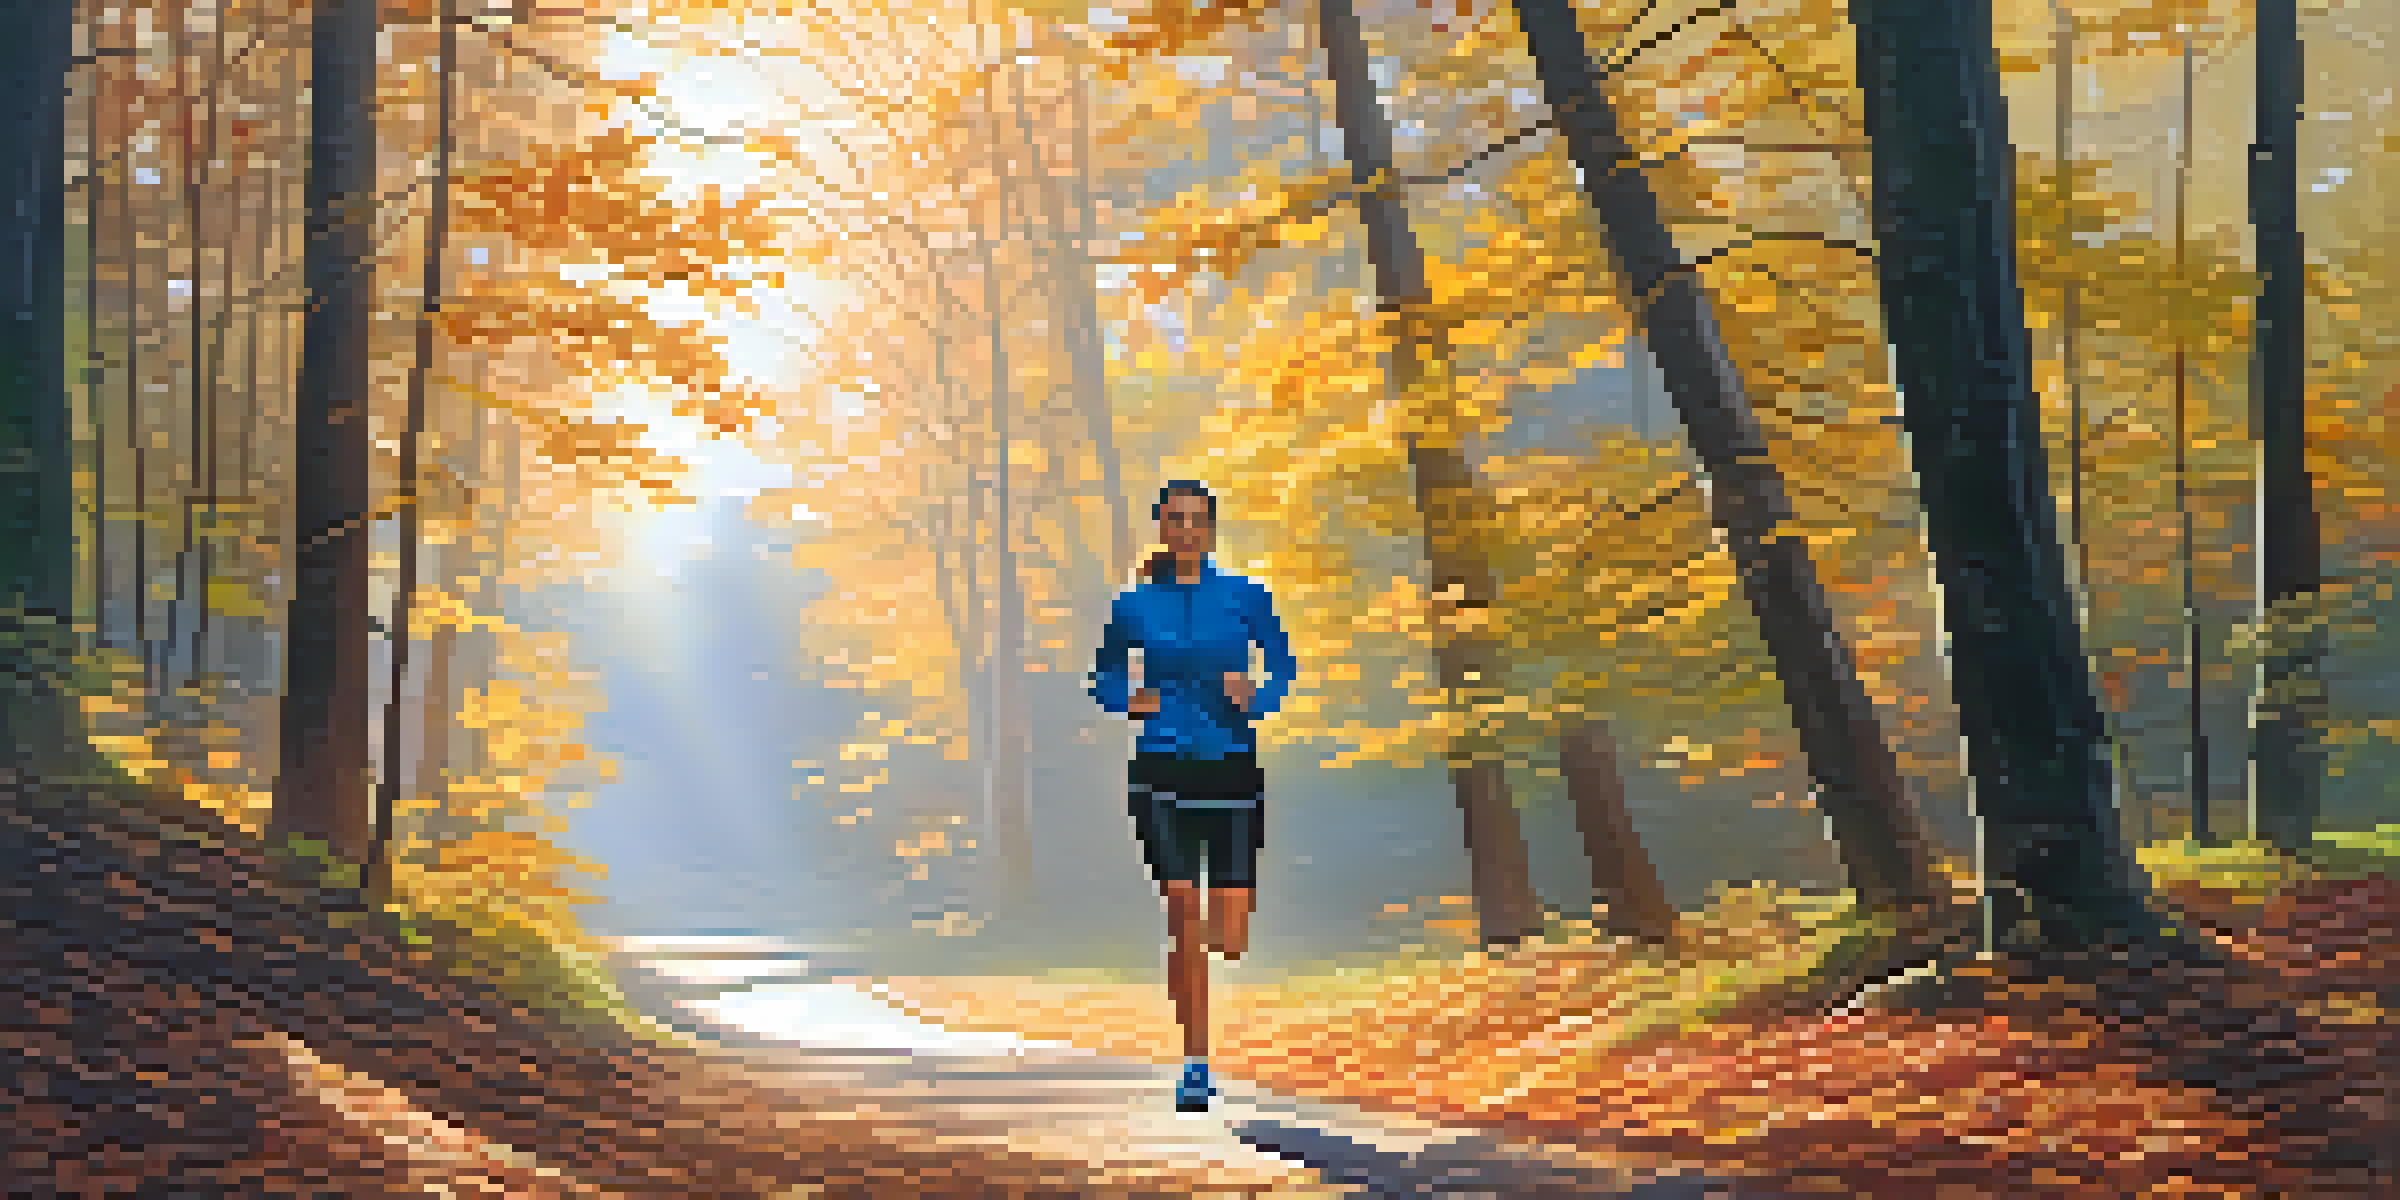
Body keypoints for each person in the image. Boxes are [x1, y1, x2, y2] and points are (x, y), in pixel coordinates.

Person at [1089, 480, 1297, 1113]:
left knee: (1227, 934)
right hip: (1160, 770)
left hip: (1232, 768)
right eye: (1175, 520)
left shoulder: (1245, 597)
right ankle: (1196, 1063)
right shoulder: (1134, 606)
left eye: (1197, 521)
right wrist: (1129, 700)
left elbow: (1283, 663)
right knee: (1183, 914)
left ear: (1211, 530)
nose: (1185, 530)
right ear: (1160, 525)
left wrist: (1256, 699)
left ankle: (1215, 940)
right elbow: (1102, 673)